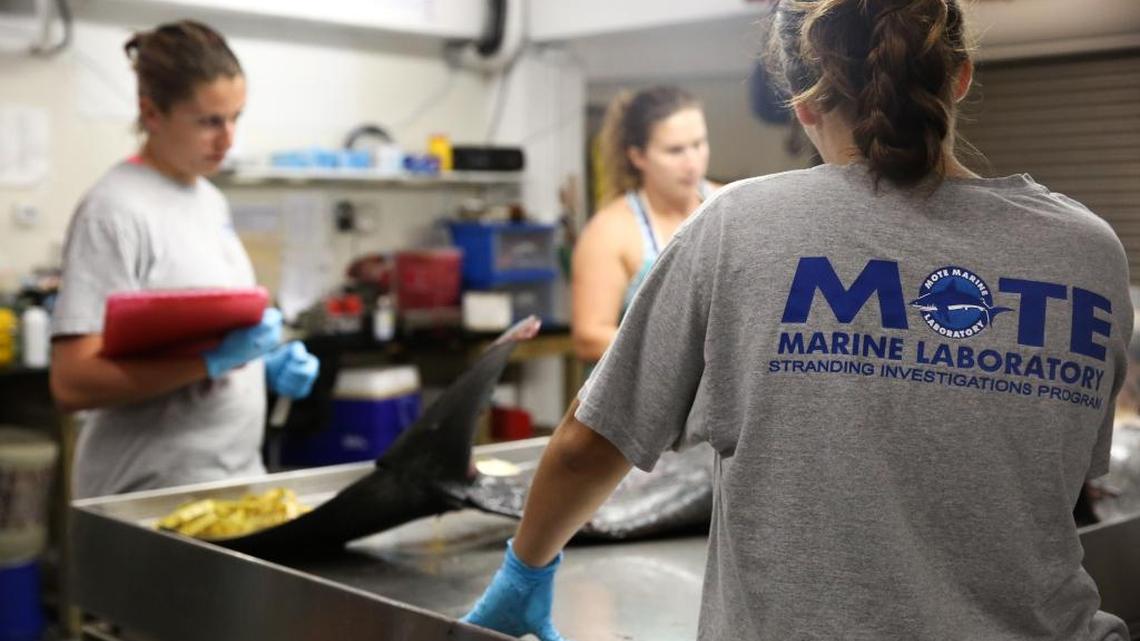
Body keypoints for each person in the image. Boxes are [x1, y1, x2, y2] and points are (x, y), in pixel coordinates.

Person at [462, 1, 1133, 640]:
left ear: (803, 99)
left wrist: (527, 569)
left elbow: (588, 444)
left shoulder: (738, 225)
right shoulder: (1091, 251)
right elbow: (1058, 472)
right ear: (960, 76)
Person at [50, 21, 319, 499]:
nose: (228, 139)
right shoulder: (115, 210)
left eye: (236, 117)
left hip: (233, 482)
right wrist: (212, 362)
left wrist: (262, 361)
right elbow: (73, 382)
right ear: (151, 113)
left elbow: (202, 329)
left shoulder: (207, 199)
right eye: (209, 121)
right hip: (151, 496)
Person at [571, 86, 717, 363]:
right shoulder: (611, 231)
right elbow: (589, 338)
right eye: (675, 151)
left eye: (699, 144)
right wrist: (682, 350)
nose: (692, 163)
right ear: (637, 156)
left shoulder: (729, 207)